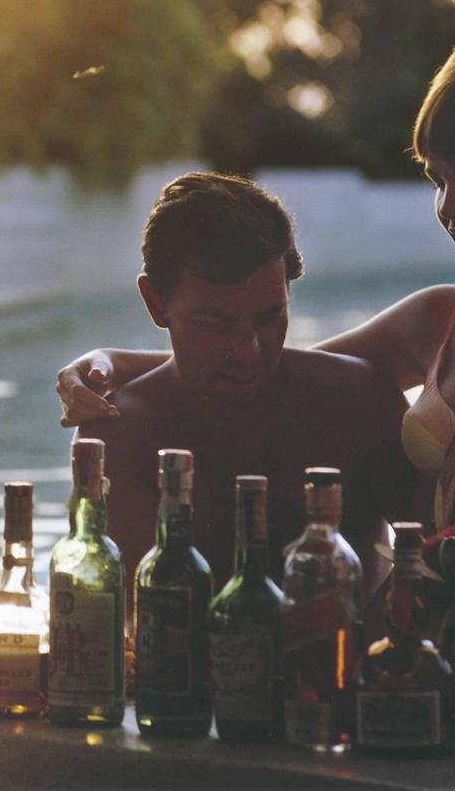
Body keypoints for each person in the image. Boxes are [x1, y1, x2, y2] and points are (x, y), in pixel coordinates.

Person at [57, 19, 455, 536]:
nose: (449, 206)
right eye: (438, 179)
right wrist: (108, 363)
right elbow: (267, 367)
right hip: (416, 593)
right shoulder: (439, 319)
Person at [74, 173, 400, 599]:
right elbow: (133, 611)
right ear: (155, 303)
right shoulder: (120, 434)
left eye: (269, 317)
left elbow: (435, 564)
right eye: (215, 323)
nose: (248, 350)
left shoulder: (361, 399)